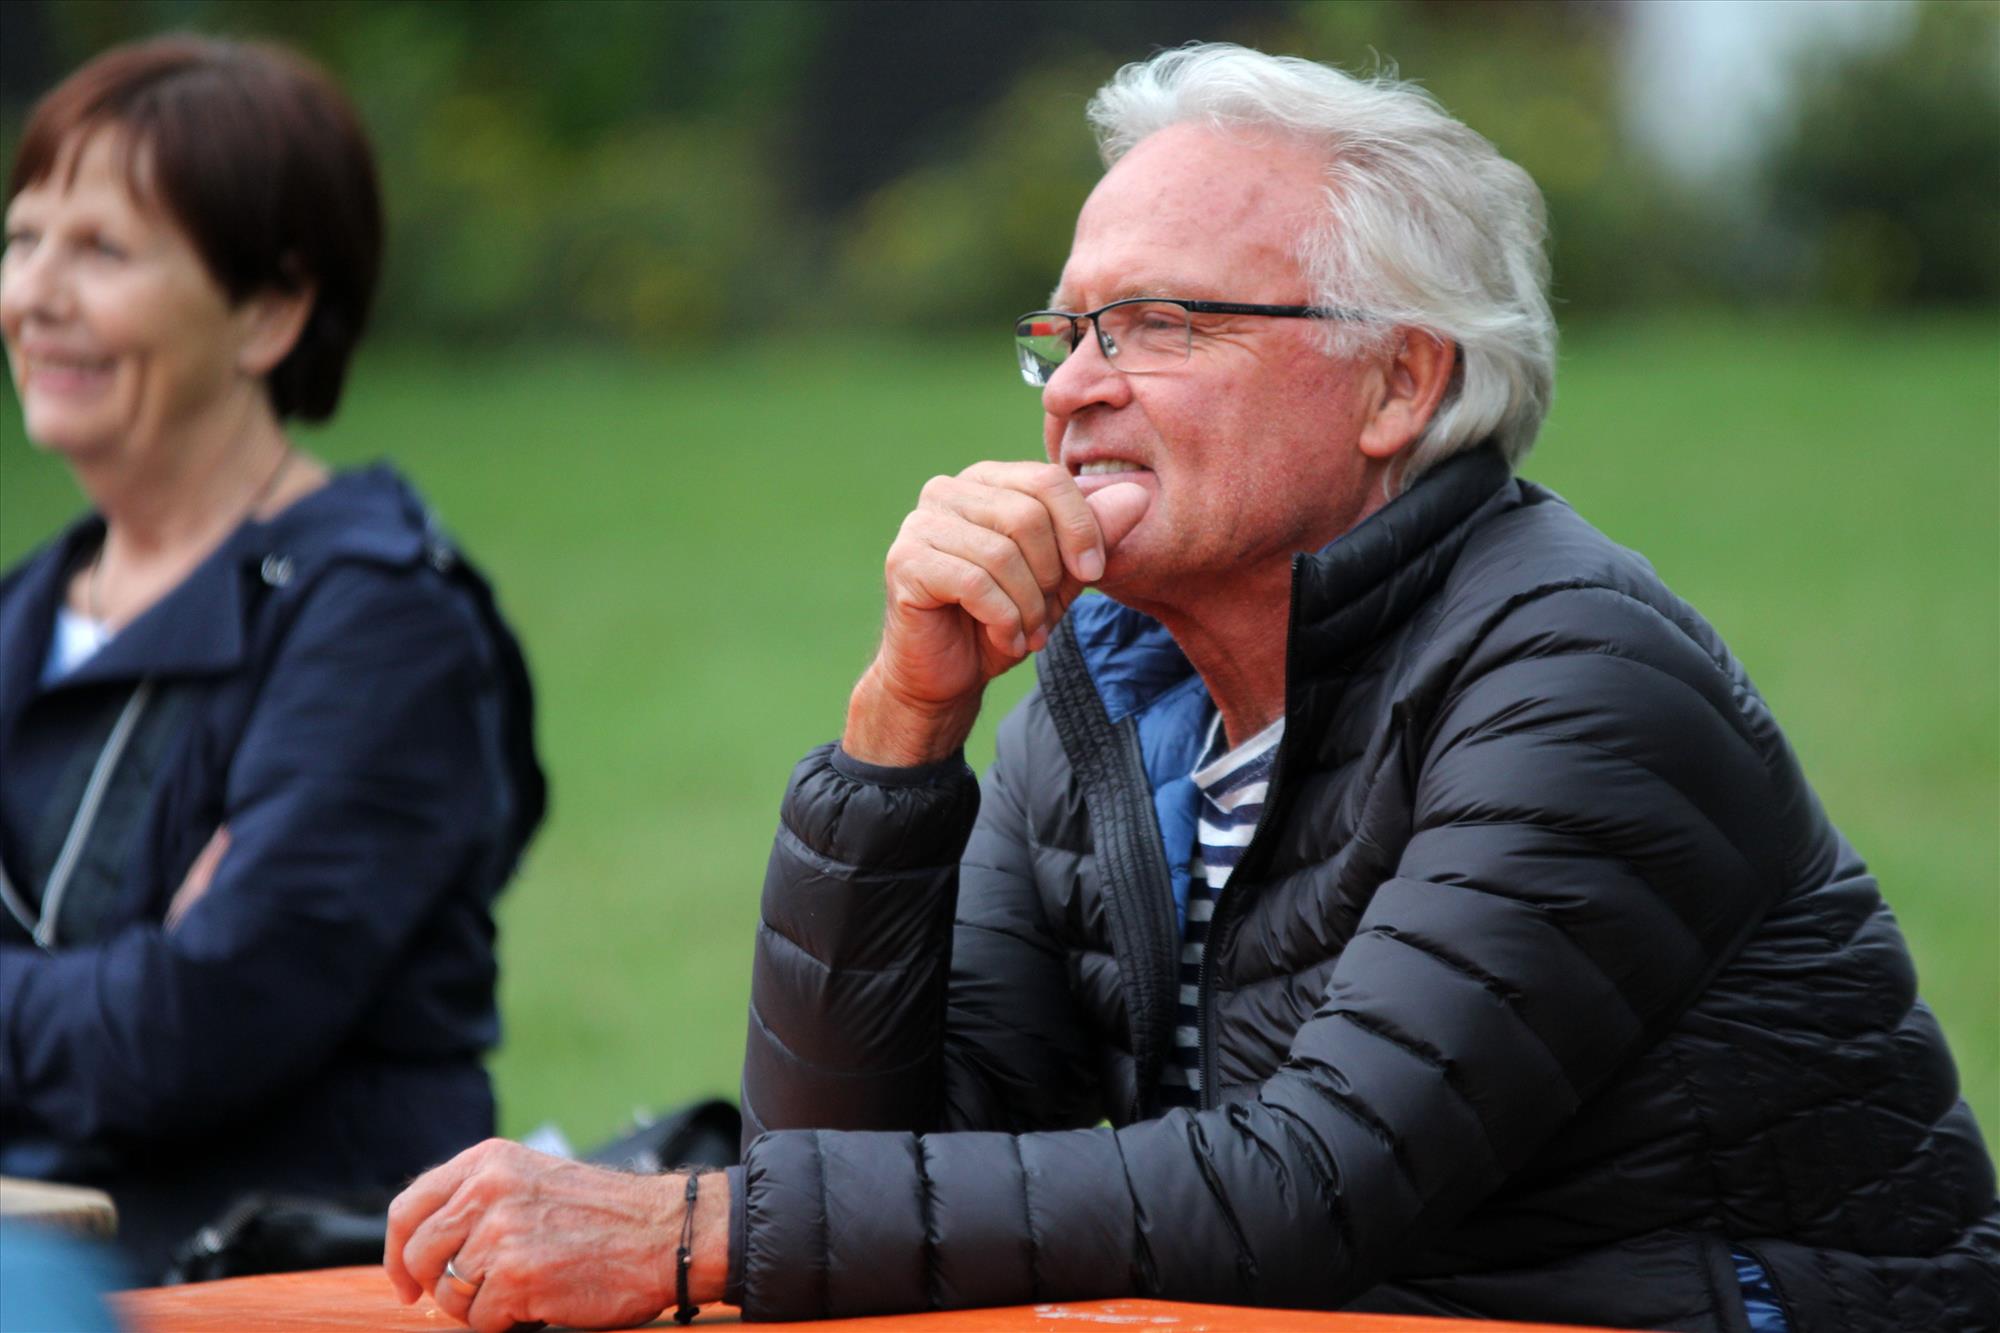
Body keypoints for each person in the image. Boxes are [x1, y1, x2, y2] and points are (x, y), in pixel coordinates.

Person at [385, 43, 1997, 1333]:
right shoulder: (1110, 691)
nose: (1078, 389)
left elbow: (1306, 1185)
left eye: (1158, 324)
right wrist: (900, 733)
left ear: (1399, 381)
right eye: (1067, 331)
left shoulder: (1577, 675)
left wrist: (695, 1228)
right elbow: (862, 1170)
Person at [0, 36, 544, 1275]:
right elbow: (135, 1016)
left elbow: (182, 1036)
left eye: (102, 250)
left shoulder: (379, 626)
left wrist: (140, 998)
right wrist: (105, 985)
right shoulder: (22, 612)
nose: (36, 294)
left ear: (269, 311)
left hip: (266, 1275)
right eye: (23, 239)